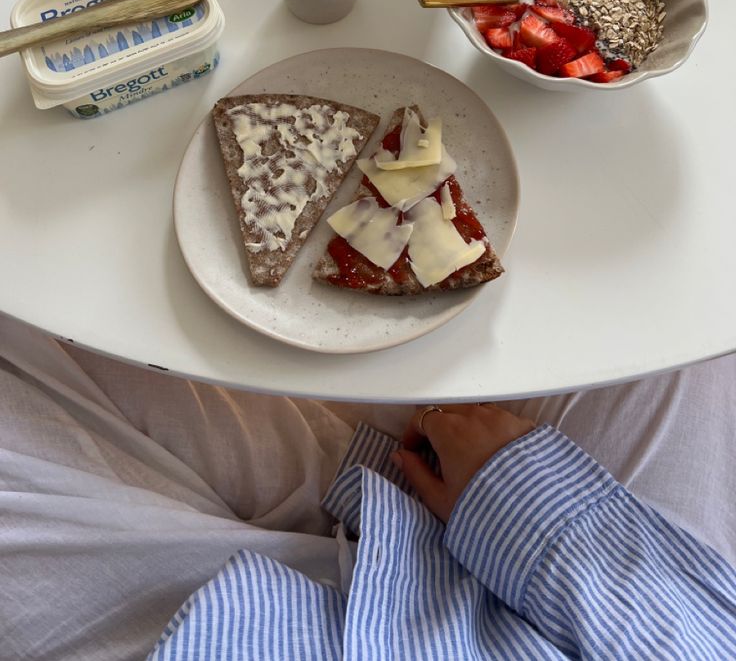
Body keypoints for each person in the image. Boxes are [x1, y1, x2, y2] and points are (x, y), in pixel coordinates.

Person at [1, 314, 735, 660]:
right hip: (523, 602)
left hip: (212, 630)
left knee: (36, 361)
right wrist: (513, 495)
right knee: (687, 335)